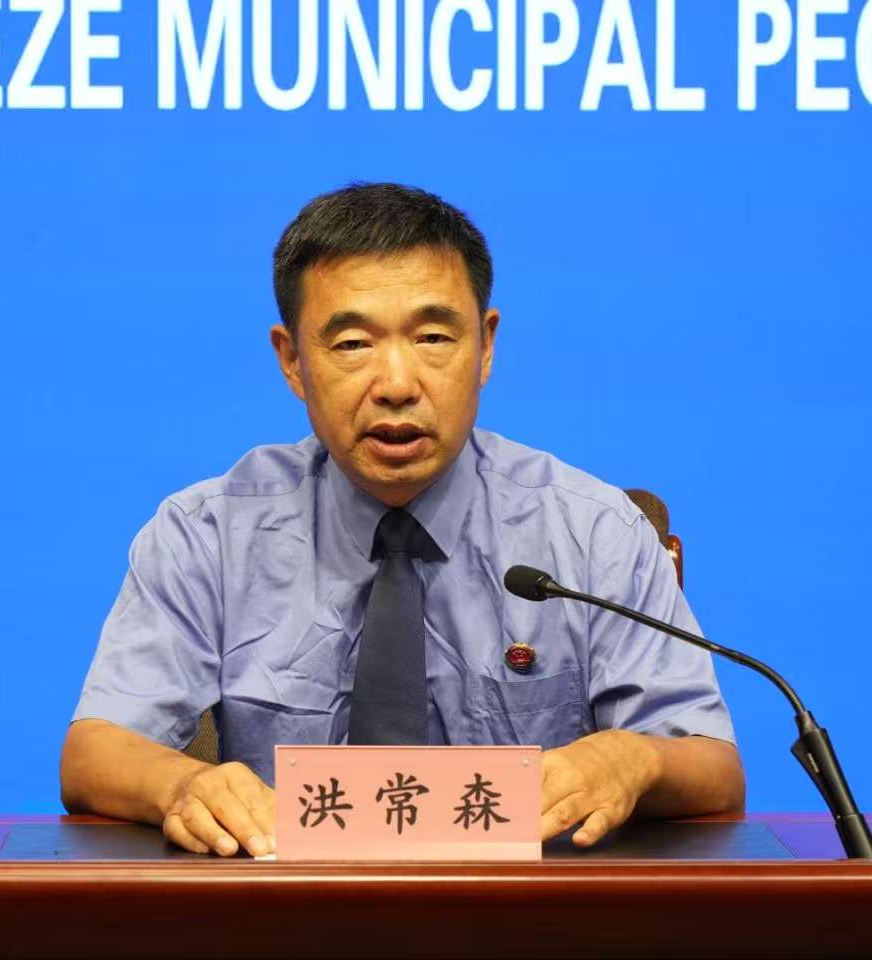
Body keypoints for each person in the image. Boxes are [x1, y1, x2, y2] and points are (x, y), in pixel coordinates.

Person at [60, 183, 744, 857]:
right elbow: (95, 752)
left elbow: (712, 768)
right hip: (288, 912)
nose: (396, 384)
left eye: (433, 337)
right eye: (353, 343)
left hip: (529, 914)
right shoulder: (208, 534)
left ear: (486, 346)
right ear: (292, 361)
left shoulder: (593, 532)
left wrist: (632, 759)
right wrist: (182, 785)